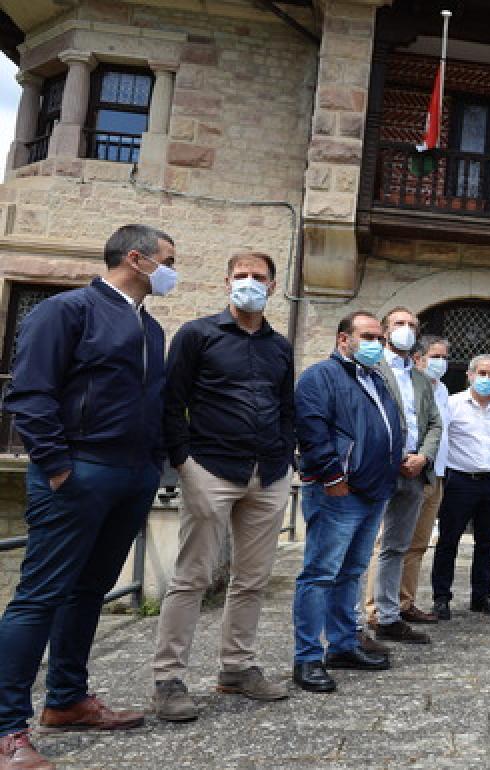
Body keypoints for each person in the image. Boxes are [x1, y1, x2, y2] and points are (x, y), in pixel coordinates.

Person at [0, 224, 175, 769]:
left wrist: (155, 466)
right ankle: (7, 728)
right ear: (136, 258)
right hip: (79, 472)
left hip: (132, 475)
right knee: (40, 594)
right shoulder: (66, 310)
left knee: (90, 590)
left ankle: (67, 699)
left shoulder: (150, 328)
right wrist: (55, 466)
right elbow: (30, 393)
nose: (173, 270)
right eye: (168, 259)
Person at [150, 251, 294, 722]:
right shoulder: (197, 335)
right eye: (242, 276)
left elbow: (285, 406)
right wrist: (183, 462)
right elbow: (172, 401)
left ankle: (236, 668)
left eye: (259, 277)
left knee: (251, 580)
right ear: (226, 281)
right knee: (192, 577)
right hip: (210, 468)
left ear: (273, 286)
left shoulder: (280, 346)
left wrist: (287, 456)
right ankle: (168, 677)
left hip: (268, 474)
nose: (249, 283)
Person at [291, 311, 404, 693]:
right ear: (344, 340)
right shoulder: (320, 376)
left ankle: (341, 645)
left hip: (373, 492)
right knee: (320, 574)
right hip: (338, 492)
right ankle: (307, 658)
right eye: (368, 335)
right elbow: (312, 428)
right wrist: (332, 476)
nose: (377, 342)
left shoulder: (374, 378)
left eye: (379, 336)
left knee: (350, 573)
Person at [361, 308, 442, 646]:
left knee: (397, 546)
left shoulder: (422, 379)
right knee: (363, 546)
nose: (406, 330)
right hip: (378, 469)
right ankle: (360, 618)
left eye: (411, 325)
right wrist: (393, 456)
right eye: (399, 324)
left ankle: (389, 616)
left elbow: (435, 423)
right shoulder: (370, 369)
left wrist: (423, 456)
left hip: (414, 472)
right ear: (384, 330)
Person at [430, 354, 490, 620]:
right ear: (469, 375)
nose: (487, 379)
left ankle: (481, 595)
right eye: (482, 373)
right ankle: (441, 597)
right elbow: (442, 440)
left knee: (487, 542)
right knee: (448, 541)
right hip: (460, 480)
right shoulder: (453, 404)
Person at [391, 335, 452, 623]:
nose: (441, 363)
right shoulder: (408, 386)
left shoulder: (443, 391)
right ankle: (378, 607)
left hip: (435, 475)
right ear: (418, 359)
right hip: (412, 471)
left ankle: (405, 602)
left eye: (444, 357)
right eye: (435, 356)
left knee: (417, 546)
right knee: (390, 545)